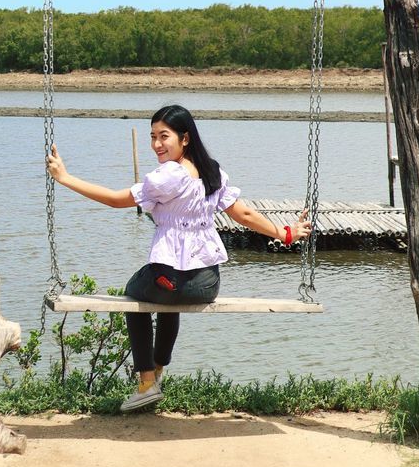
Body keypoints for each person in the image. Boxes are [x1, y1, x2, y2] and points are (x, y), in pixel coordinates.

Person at [45, 102, 312, 413]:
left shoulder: (167, 177)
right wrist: (285, 233)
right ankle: (157, 371)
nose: (157, 144)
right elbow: (245, 214)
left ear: (185, 138)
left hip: (170, 280)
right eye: (153, 136)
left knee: (134, 298)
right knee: (166, 298)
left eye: (164, 136)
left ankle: (147, 382)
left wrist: (65, 178)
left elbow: (116, 200)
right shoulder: (212, 171)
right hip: (208, 282)